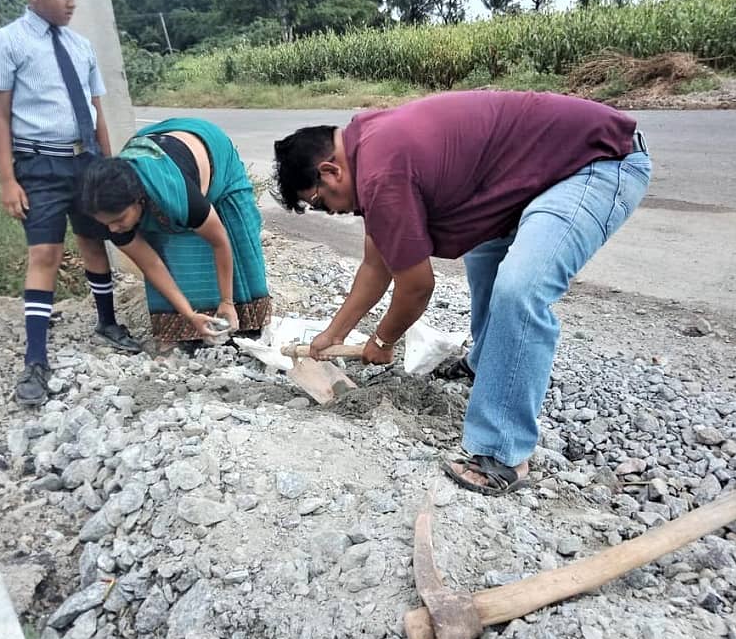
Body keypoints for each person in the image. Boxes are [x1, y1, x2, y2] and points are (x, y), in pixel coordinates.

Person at [272, 91, 652, 496]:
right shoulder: (369, 144)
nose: (333, 212)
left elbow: (417, 287)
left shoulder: (380, 171)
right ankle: (489, 364)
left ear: (329, 171)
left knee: (519, 288)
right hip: (540, 171)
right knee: (485, 254)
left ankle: (503, 453)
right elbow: (376, 262)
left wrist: (383, 340)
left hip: (597, 163)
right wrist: (335, 334)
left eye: (320, 202)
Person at [0, 0, 141, 407]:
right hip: (39, 164)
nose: (72, 3)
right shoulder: (8, 42)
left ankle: (107, 323)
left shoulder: (80, 46)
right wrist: (7, 180)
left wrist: (110, 168)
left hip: (85, 159)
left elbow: (96, 112)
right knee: (45, 253)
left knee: (95, 240)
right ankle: (36, 360)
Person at [78, 118, 273, 343]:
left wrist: (227, 301)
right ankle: (194, 324)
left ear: (138, 199)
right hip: (160, 153)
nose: (113, 229)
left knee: (237, 235)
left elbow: (219, 242)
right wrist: (189, 315)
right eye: (107, 223)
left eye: (119, 219)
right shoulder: (107, 212)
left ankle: (245, 320)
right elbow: (152, 264)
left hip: (213, 151)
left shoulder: (177, 195)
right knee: (173, 254)